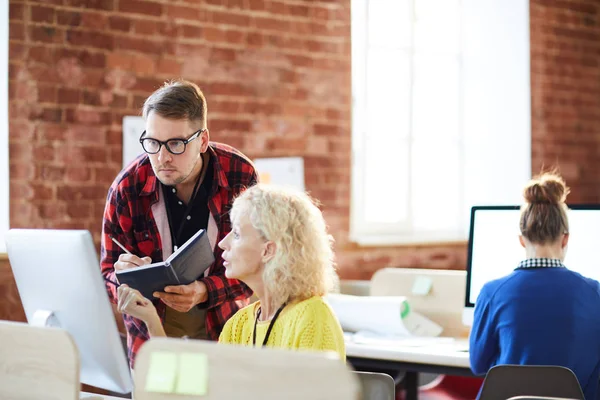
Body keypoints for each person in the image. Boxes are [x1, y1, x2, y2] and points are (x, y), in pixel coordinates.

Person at [101, 80, 257, 367]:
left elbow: (258, 267)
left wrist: (205, 290)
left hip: (223, 328)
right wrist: (123, 280)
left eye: (176, 144)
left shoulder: (239, 175)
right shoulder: (127, 187)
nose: (162, 157)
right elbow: (107, 272)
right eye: (152, 142)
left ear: (203, 140)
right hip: (151, 335)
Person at [116, 184, 346, 360]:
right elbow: (194, 388)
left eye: (236, 234)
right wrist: (151, 320)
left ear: (268, 250)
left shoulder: (312, 317)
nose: (223, 244)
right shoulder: (239, 324)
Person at [469, 172, 600, 399]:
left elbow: (478, 363)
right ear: (565, 238)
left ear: (522, 239)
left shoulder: (492, 293)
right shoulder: (595, 292)